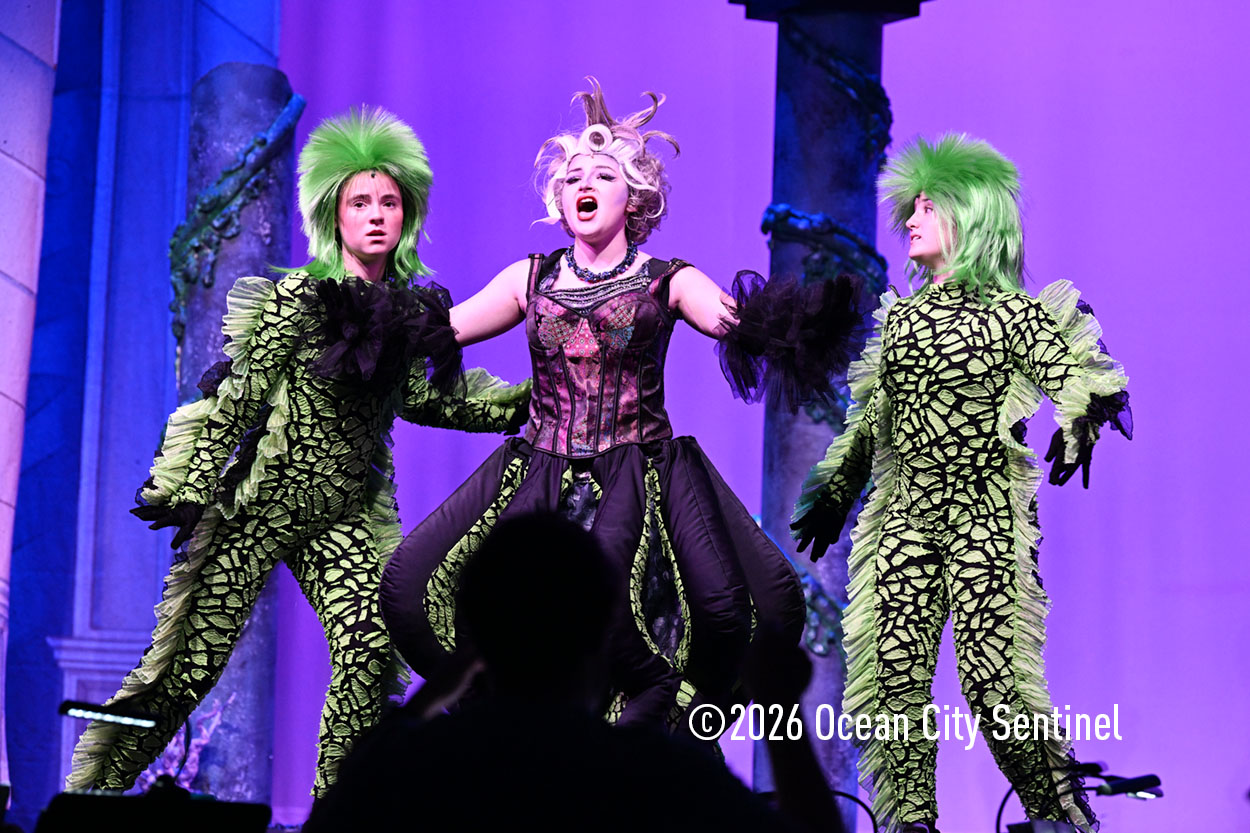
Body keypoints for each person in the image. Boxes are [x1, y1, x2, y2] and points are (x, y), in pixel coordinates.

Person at [66, 107, 531, 798]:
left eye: (389, 202)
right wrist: (188, 484)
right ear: (333, 213)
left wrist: (534, 400)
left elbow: (428, 397)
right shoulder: (298, 300)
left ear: (407, 214)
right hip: (258, 506)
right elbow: (238, 396)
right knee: (184, 670)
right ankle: (88, 795)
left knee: (370, 647)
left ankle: (338, 810)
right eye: (360, 202)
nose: (376, 215)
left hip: (345, 515)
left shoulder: (407, 315)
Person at [380, 80, 862, 732]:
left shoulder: (667, 280)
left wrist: (806, 322)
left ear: (633, 197)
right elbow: (441, 329)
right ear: (560, 199)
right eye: (573, 177)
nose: (585, 183)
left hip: (640, 475)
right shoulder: (531, 278)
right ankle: (493, 711)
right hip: (541, 472)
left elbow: (737, 323)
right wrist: (359, 311)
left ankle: (666, 722)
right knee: (411, 584)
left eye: (603, 175)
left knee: (733, 606)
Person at [791, 134, 1132, 833]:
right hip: (902, 520)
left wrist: (1080, 418)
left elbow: (1076, 372)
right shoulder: (900, 319)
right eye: (911, 207)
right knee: (891, 684)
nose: (911, 220)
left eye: (928, 206)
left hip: (984, 518)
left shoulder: (1012, 315)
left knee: (995, 681)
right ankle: (909, 823)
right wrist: (836, 487)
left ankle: (1060, 815)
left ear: (970, 215)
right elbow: (873, 418)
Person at [307, 513, 830, 833]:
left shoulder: (412, 769)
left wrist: (424, 704)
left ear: (476, 638)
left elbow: (341, 812)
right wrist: (778, 704)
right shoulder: (652, 774)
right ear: (604, 633)